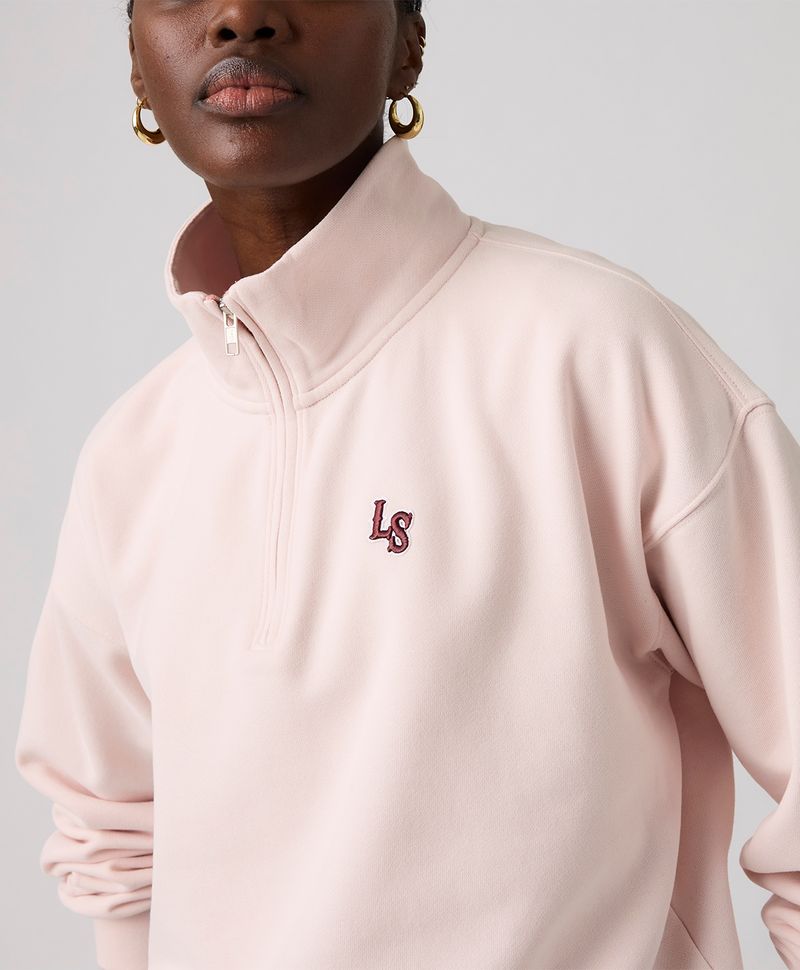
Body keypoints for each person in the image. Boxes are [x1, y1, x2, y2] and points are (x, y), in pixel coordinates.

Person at [14, 2, 800, 969]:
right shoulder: (130, 459)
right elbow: (112, 840)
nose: (241, 15)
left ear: (409, 42)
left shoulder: (598, 356)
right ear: (137, 65)